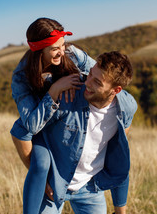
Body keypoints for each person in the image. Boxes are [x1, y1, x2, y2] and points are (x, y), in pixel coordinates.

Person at [12, 51, 137, 214]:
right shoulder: (67, 95)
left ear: (116, 90)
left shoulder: (127, 107)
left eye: (97, 82)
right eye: (90, 74)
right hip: (54, 186)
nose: (88, 83)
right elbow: (20, 131)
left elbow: (118, 153)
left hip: (91, 188)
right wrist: (39, 175)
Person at [10, 17, 96, 214]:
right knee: (41, 164)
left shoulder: (73, 54)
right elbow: (31, 125)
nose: (62, 51)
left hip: (74, 126)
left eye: (63, 45)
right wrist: (54, 92)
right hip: (45, 135)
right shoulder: (21, 77)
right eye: (55, 48)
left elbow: (100, 77)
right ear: (40, 49)